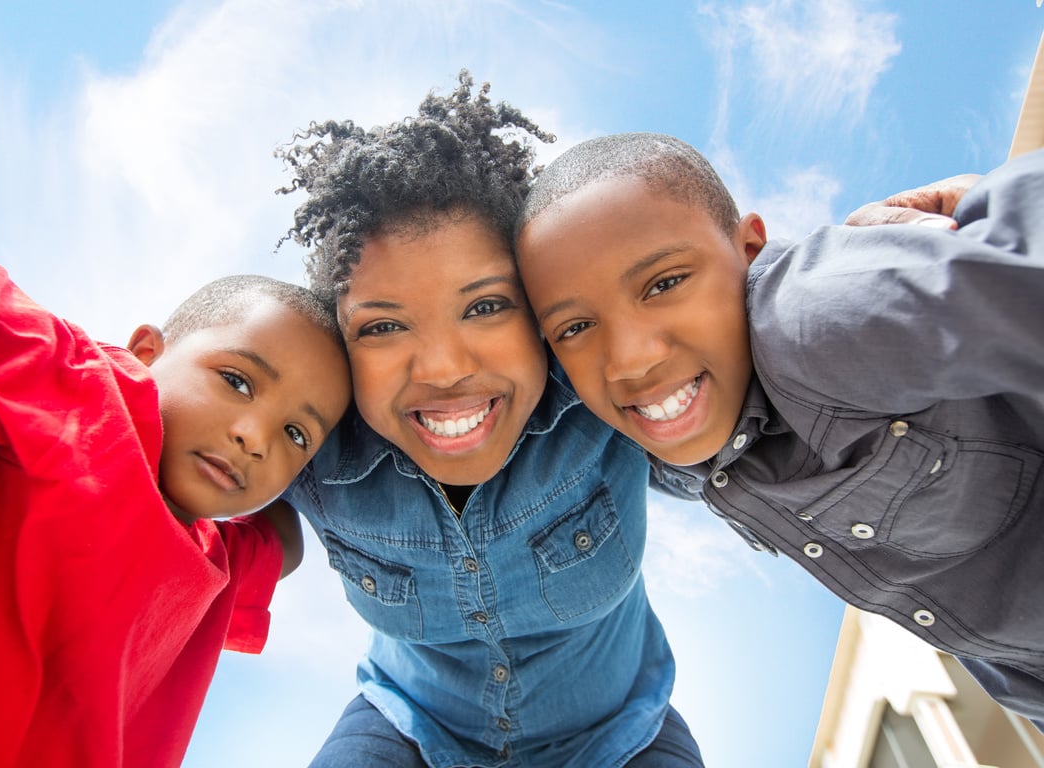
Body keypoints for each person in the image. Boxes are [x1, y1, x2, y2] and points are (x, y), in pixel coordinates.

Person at [514, 133, 1044, 725]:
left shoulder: (807, 317)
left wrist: (996, 206)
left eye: (664, 284)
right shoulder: (670, 444)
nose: (630, 359)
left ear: (748, 249)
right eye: (575, 327)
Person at [274, 73, 704, 767]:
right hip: (409, 727)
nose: (442, 368)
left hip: (621, 736)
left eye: (484, 307)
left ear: (540, 310)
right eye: (383, 326)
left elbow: (739, 369)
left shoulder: (603, 393)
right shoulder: (311, 444)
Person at [0, 258, 351, 766]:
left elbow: (285, 545)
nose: (254, 437)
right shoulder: (72, 383)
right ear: (147, 353)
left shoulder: (216, 563)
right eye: (236, 381)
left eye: (295, 434)